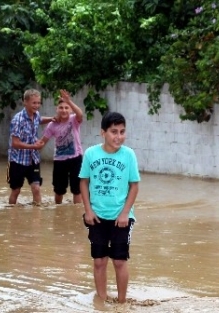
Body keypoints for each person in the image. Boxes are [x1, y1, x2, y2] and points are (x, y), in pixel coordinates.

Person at [78, 112, 140, 309]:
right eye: (114, 132)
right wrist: (88, 210)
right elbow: (84, 182)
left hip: (121, 218)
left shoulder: (128, 155)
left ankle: (121, 303)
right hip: (96, 216)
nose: (118, 136)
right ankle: (102, 302)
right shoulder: (91, 154)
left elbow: (134, 186)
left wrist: (124, 213)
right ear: (102, 133)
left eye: (122, 132)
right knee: (99, 261)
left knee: (119, 261)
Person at [37, 89, 84, 204]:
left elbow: (80, 114)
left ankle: (76, 214)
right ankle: (58, 211)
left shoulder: (74, 120)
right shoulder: (52, 125)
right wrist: (32, 151)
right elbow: (43, 141)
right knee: (58, 190)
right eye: (61, 108)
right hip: (59, 160)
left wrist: (69, 101)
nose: (64, 110)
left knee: (77, 189)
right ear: (57, 109)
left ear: (70, 110)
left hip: (76, 158)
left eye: (66, 108)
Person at [7, 88, 52, 205]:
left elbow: (39, 120)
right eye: (34, 103)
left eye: (38, 103)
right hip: (17, 161)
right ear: (25, 102)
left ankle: (37, 219)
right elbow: (14, 143)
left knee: (36, 189)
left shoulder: (36, 114)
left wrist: (52, 119)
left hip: (33, 160)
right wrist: (33, 146)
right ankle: (12, 216)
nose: (37, 106)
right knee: (16, 191)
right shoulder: (18, 120)